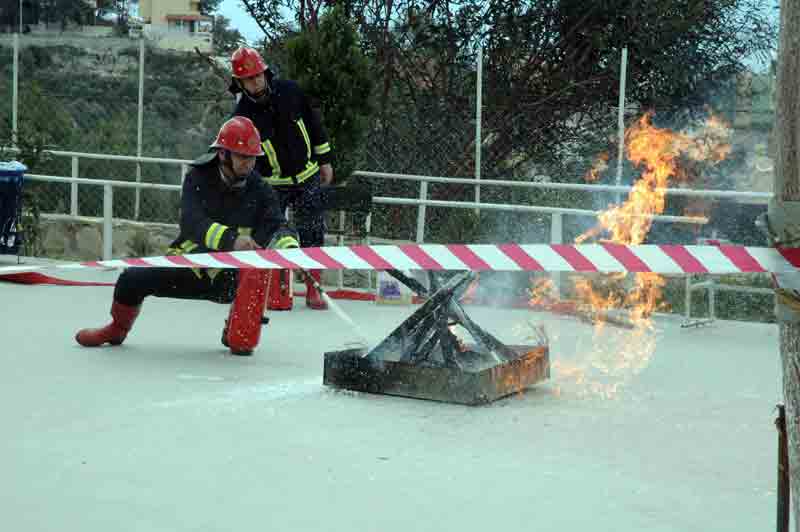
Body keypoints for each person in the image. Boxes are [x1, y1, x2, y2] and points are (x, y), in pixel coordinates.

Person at [74, 116, 299, 355]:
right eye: (243, 157)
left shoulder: (260, 188)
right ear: (223, 154)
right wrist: (232, 240)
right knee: (131, 279)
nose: (249, 164)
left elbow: (278, 224)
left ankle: (239, 331)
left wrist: (292, 249)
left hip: (231, 278)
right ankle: (116, 329)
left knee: (246, 319)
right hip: (192, 265)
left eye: (253, 158)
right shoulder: (198, 178)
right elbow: (192, 223)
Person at [228, 46, 332, 310]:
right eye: (249, 79)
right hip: (271, 184)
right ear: (240, 83)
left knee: (312, 230)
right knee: (270, 234)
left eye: (258, 75)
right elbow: (239, 155)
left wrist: (325, 160)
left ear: (265, 72)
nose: (255, 82)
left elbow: (314, 123)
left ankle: (313, 289)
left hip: (308, 175)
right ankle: (272, 290)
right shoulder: (242, 116)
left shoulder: (290, 91)